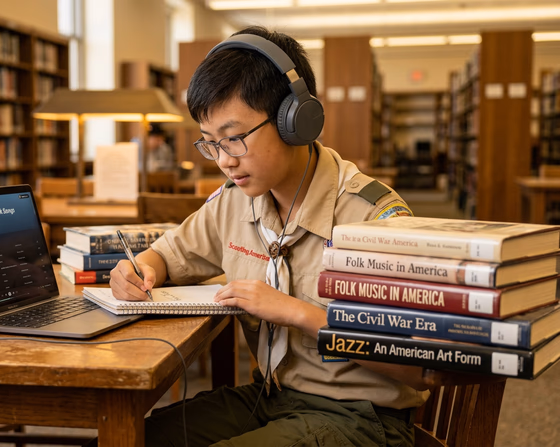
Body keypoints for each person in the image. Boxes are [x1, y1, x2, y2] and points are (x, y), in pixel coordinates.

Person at [109, 25, 429, 447]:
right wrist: (137, 271)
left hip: (362, 417)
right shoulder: (236, 201)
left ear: (296, 120)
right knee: (129, 438)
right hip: (270, 398)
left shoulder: (373, 218)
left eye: (235, 139)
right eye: (210, 144)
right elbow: (166, 255)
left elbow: (418, 365)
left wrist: (299, 313)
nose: (223, 161)